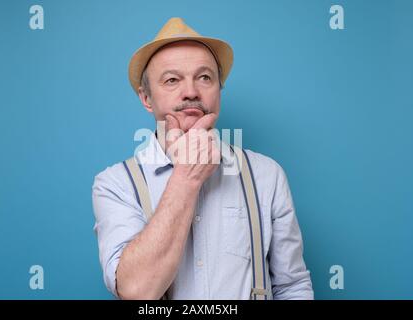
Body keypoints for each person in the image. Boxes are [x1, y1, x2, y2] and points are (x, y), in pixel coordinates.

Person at [92, 17, 313, 300]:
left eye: (204, 77)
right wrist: (186, 177)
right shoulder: (115, 184)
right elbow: (137, 292)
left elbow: (292, 287)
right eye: (172, 80)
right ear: (146, 98)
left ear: (219, 90)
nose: (191, 91)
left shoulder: (266, 174)